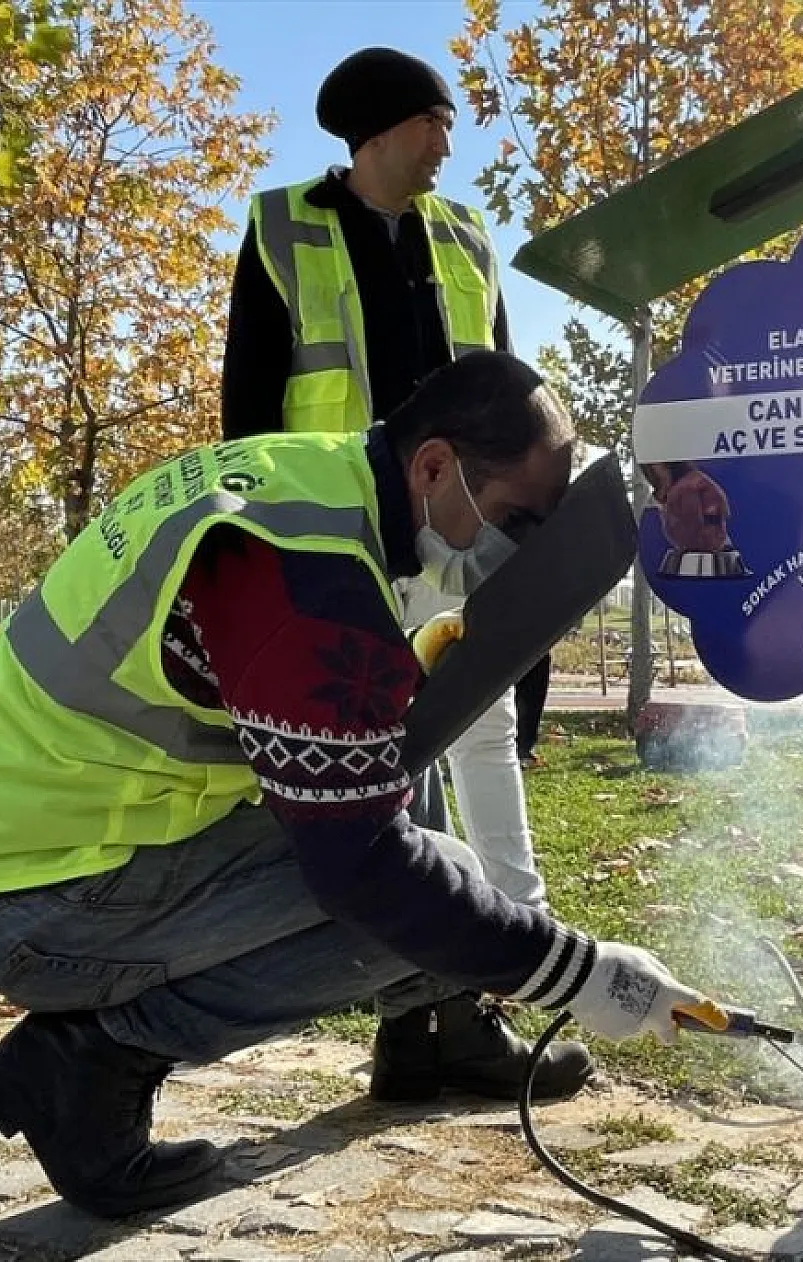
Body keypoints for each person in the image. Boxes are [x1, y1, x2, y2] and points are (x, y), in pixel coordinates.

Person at [0, 353, 706, 1219]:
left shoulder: (314, 483)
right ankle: (92, 1059)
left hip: (37, 841)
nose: (515, 549)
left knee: (424, 873)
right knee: (415, 901)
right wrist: (578, 973)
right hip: (30, 901)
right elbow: (363, 866)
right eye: (516, 518)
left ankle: (431, 1039)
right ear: (435, 466)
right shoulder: (308, 573)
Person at [219, 44, 589, 1099]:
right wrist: (266, 544)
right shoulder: (281, 227)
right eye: (433, 122)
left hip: (461, 531)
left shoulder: (464, 233)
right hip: (342, 536)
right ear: (379, 130)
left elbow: (515, 395)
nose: (446, 144)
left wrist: (526, 530)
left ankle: (492, 979)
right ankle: (427, 1019)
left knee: (482, 736)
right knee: (394, 766)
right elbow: (248, 400)